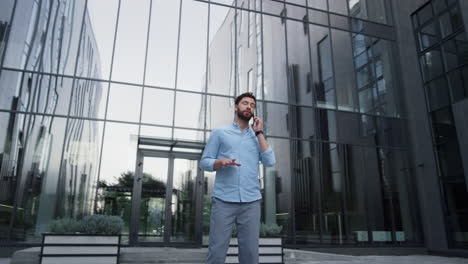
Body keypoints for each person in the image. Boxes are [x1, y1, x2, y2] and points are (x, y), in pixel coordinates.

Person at [200, 92, 276, 264]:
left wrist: (260, 132)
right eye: (245, 103)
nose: (249, 107)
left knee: (250, 254)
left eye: (252, 105)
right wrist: (219, 162)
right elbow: (204, 162)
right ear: (236, 107)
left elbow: (270, 161)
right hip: (223, 200)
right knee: (217, 252)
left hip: (251, 201)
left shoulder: (257, 139)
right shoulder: (220, 133)